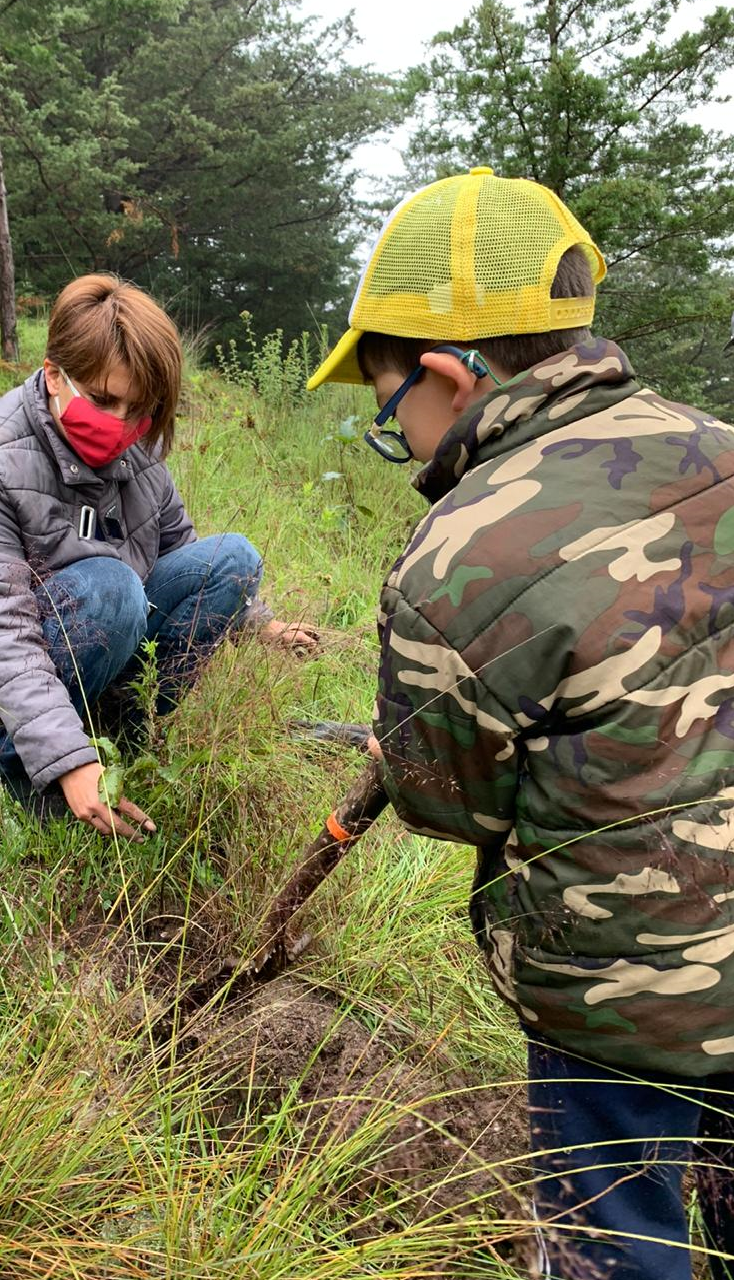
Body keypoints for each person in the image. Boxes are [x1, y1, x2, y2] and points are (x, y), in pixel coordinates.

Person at [310, 165, 734, 1280]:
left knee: (615, 1237)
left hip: (626, 993)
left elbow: (450, 804)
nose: (401, 441)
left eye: (392, 413)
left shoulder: (459, 553)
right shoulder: (722, 441)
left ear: (449, 376)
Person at [0, 273, 318, 834]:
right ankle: (15, 764)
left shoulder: (140, 448)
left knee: (233, 559)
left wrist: (257, 622)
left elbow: (183, 555)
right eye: (103, 400)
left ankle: (121, 722)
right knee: (112, 588)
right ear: (54, 375)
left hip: (102, 623)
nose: (120, 424)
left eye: (139, 408)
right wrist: (66, 759)